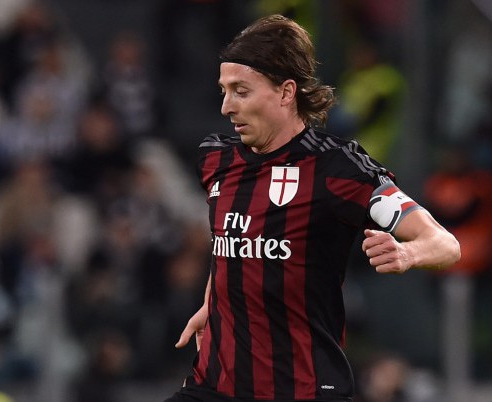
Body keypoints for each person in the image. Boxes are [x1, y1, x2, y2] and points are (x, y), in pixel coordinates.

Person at [166, 14, 460, 402]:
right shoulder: (216, 160)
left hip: (302, 389)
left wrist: (407, 253)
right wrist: (212, 302)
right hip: (216, 385)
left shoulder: (338, 169)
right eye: (224, 91)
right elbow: (231, 238)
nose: (226, 107)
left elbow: (445, 244)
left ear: (286, 92)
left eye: (241, 91)